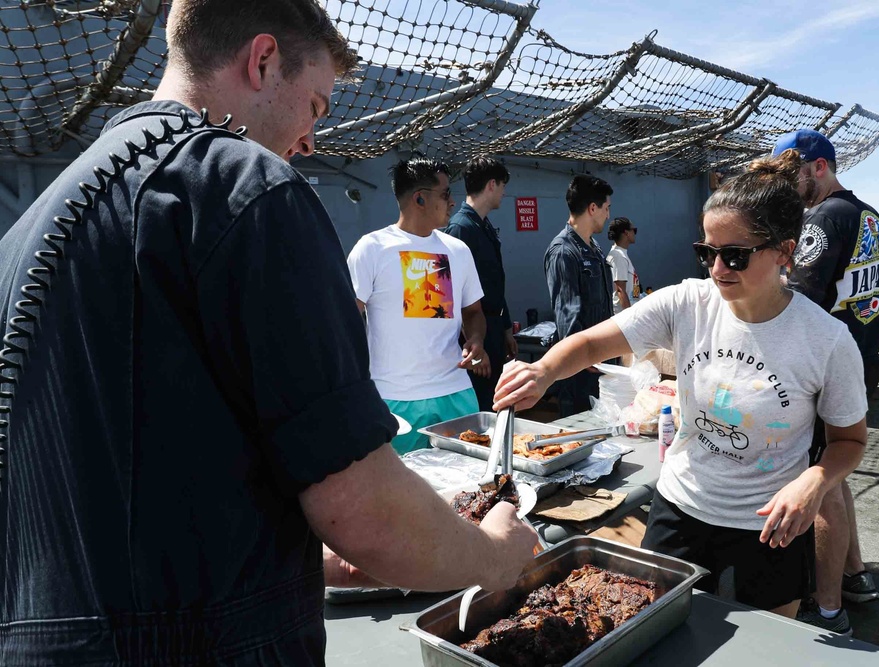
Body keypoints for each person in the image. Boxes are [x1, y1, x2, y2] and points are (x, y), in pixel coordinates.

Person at [0, 2, 537, 664]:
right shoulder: (248, 188)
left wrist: (300, 544)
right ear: (261, 61)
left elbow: (147, 481)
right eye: (314, 105)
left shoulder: (25, 238)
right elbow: (363, 514)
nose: (311, 139)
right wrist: (496, 554)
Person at [496, 151, 868, 619]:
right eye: (707, 252)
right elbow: (591, 343)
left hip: (770, 521)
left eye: (735, 255)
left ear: (784, 252)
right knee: (658, 625)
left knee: (768, 643)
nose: (717, 269)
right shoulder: (687, 302)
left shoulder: (826, 340)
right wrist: (543, 370)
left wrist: (815, 481)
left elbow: (849, 441)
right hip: (681, 506)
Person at [772, 128, 879, 634]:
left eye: (791, 172)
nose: (788, 185)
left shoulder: (823, 218)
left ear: (817, 167)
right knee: (838, 473)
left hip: (824, 371)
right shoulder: (872, 216)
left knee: (818, 484)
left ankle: (827, 607)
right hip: (860, 361)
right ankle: (856, 575)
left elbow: (797, 300)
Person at [349, 156, 491, 454]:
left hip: (455, 392)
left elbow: (473, 311)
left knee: (466, 484)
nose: (453, 202)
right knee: (401, 493)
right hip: (394, 398)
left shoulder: (458, 250)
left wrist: (476, 339)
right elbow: (345, 320)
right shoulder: (372, 249)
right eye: (445, 194)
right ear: (420, 199)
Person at [443, 156, 518, 411]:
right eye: (502, 186)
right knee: (482, 407)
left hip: (494, 328)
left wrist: (506, 329)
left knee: (496, 402)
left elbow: (495, 284)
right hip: (477, 335)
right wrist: (476, 345)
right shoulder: (461, 229)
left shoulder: (482, 227)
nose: (504, 193)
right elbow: (454, 297)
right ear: (491, 185)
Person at [544, 174, 615, 416]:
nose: (608, 215)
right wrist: (587, 359)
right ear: (592, 208)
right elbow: (568, 317)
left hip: (599, 363)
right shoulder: (564, 251)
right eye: (606, 208)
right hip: (581, 371)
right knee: (583, 440)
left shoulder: (592, 248)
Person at [606, 216, 640, 314]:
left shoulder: (622, 254)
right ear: (626, 232)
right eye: (634, 230)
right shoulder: (618, 256)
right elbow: (620, 290)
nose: (635, 233)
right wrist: (629, 317)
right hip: (622, 316)